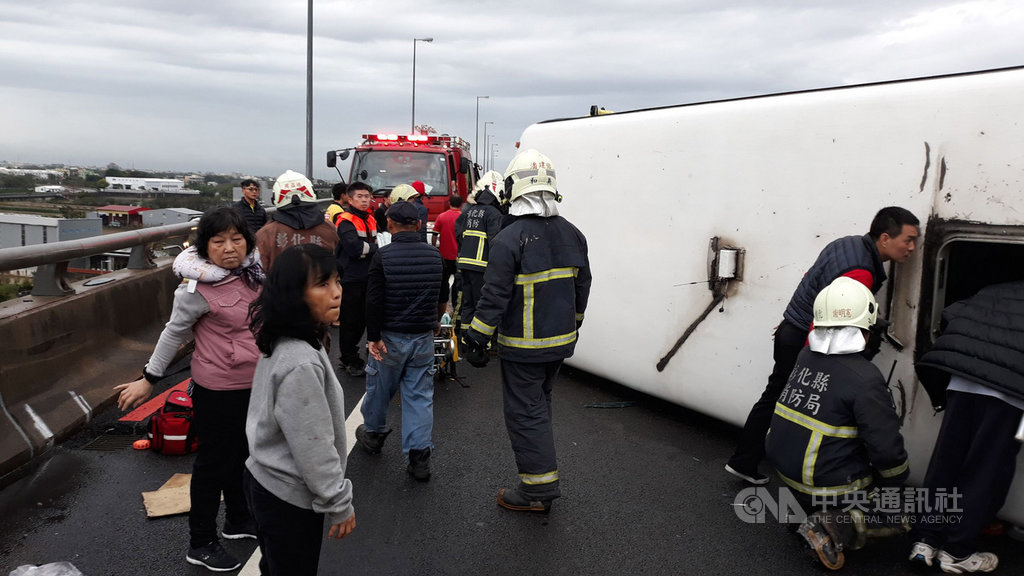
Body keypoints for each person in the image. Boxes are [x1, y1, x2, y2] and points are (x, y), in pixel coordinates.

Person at [114, 206, 263, 572]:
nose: (229, 248)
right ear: (204, 246)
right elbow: (173, 333)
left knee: (243, 453)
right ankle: (201, 542)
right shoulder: (195, 289)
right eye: (219, 241)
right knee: (213, 464)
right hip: (217, 387)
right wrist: (148, 378)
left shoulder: (254, 274)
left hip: (254, 382)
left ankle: (238, 521)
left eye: (236, 239)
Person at [725, 206, 920, 485]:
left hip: (792, 331)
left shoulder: (847, 243)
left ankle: (745, 460)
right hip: (805, 338)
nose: (912, 248)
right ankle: (760, 463)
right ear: (886, 238)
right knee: (797, 404)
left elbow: (811, 283)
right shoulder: (861, 271)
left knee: (776, 397)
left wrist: (790, 321)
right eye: (909, 240)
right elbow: (831, 319)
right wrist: (813, 358)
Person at [463, 150, 591, 513]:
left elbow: (494, 295)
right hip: (560, 344)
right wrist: (575, 325)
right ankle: (540, 477)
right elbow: (583, 286)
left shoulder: (509, 238)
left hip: (523, 347)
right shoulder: (573, 235)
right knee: (539, 405)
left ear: (513, 189)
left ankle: (537, 491)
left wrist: (476, 336)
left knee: (525, 413)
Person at [765, 277, 910, 571]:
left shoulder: (806, 355)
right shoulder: (866, 378)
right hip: (818, 479)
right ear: (866, 330)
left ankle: (804, 513)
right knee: (904, 515)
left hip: (784, 469)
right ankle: (830, 524)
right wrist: (895, 484)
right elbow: (886, 451)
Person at [245, 244, 355, 576]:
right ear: (295, 295)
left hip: (264, 479)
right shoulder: (301, 361)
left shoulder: (285, 339)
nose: (336, 293)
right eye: (322, 285)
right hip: (287, 496)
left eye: (337, 281)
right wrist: (338, 502)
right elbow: (313, 444)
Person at [907, 280, 1024, 573]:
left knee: (945, 462)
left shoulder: (993, 290)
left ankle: (924, 540)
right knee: (983, 470)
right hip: (1006, 393)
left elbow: (951, 312)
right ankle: (957, 552)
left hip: (962, 381)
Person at [355, 201, 444, 481]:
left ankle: (374, 435)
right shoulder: (434, 255)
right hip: (423, 337)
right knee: (419, 396)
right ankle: (419, 460)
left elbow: (374, 299)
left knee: (380, 388)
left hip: (390, 337)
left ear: (389, 225)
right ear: (419, 225)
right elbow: (441, 297)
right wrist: (436, 322)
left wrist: (373, 337)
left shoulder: (383, 256)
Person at [255, 170, 338, 273]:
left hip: (282, 288)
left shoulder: (265, 234)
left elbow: (259, 273)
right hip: (323, 287)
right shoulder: (329, 228)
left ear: (275, 198)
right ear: (312, 193)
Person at [335, 181, 378, 377]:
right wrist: (377, 249)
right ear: (350, 199)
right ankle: (349, 358)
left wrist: (368, 251)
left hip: (368, 275)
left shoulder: (370, 218)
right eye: (359, 197)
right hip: (351, 278)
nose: (364, 200)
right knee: (350, 321)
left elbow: (366, 248)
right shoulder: (345, 221)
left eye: (366, 196)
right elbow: (355, 250)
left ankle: (358, 353)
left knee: (364, 318)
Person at [455, 170, 504, 341]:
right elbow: (496, 242)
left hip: (464, 265)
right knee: (481, 304)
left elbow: (458, 234)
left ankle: (464, 337)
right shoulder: (494, 214)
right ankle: (481, 341)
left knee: (467, 302)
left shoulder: (469, 211)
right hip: (482, 266)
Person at [431, 193, 463, 321]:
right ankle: (455, 305)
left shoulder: (441, 217)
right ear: (461, 205)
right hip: (459, 255)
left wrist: (434, 248)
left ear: (449, 203)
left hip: (444, 255)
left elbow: (434, 234)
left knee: (443, 281)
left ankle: (442, 306)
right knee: (457, 281)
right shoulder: (463, 217)